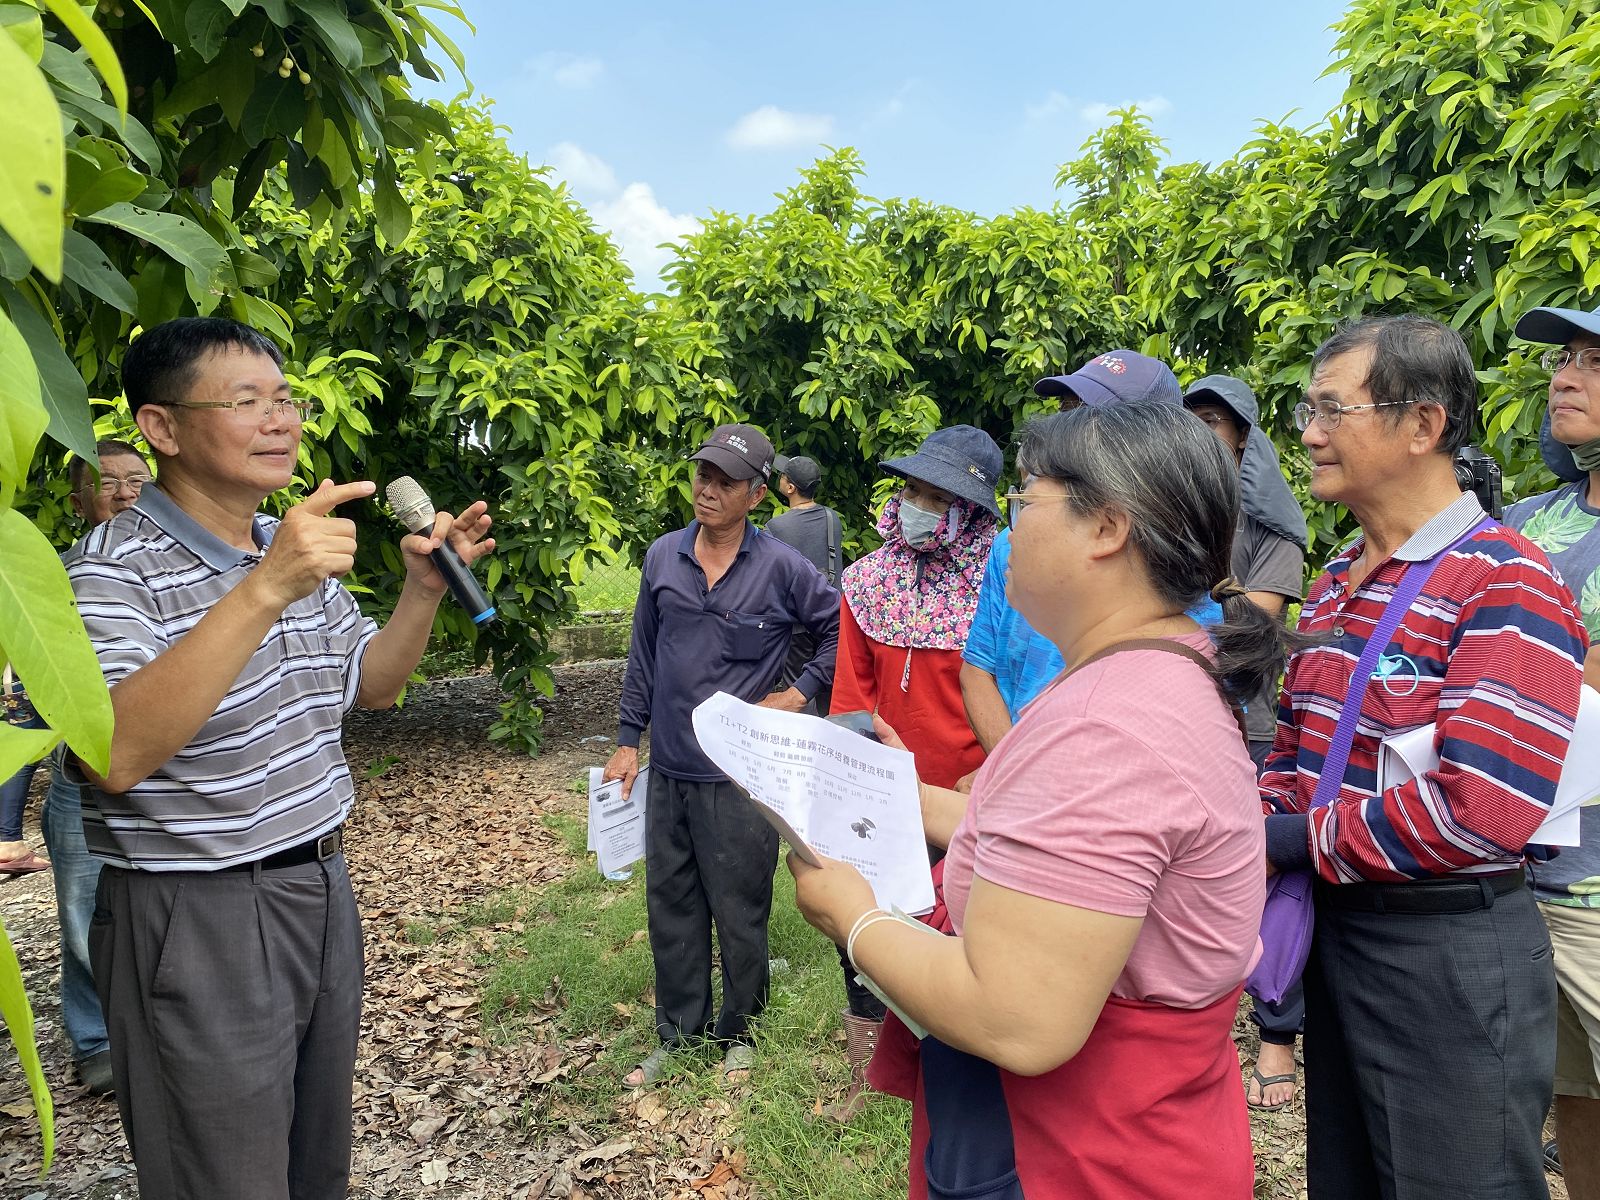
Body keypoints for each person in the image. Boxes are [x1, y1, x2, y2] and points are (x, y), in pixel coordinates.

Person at [790, 401, 1291, 1198]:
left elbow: (1017, 1018)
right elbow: (1041, 843)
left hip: (1070, 1155)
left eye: (1025, 501)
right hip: (1134, 1135)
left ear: (1108, 528)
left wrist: (854, 916)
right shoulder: (1148, 673)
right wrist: (894, 793)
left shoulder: (1106, 726)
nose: (1007, 531)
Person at [66, 317, 493, 1200]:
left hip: (318, 888)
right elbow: (109, 756)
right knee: (222, 1177)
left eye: (286, 399)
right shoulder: (110, 571)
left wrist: (420, 592)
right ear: (162, 428)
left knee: (311, 1168)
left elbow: (368, 686)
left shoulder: (285, 545)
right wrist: (263, 590)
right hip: (195, 910)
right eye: (247, 401)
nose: (281, 421)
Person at [1260, 314, 1586, 1199]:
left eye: (1335, 408)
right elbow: (1294, 750)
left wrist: (1289, 842)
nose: (1312, 433)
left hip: (1447, 950)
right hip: (1345, 933)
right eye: (1308, 409)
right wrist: (1255, 816)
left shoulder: (1506, 578)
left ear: (1422, 425)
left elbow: (1483, 811)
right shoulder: (1334, 579)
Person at [603, 424, 840, 1088]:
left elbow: (835, 628)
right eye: (702, 475)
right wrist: (628, 740)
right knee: (671, 904)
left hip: (741, 776)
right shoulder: (662, 558)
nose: (707, 490)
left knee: (739, 906)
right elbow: (644, 654)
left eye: (724, 481)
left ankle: (741, 1030)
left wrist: (798, 693)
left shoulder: (782, 569)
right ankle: (678, 1035)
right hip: (673, 768)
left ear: (756, 495)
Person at [825, 424, 1003, 1119]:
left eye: (940, 496)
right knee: (868, 917)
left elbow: (1016, 691)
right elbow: (851, 690)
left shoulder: (1005, 589)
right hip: (881, 787)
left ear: (973, 514)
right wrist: (849, 765)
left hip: (967, 796)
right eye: (913, 491)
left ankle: (952, 1062)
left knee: (958, 926)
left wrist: (991, 771)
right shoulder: (869, 582)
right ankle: (870, 1063)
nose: (919, 506)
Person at [960, 350, 1221, 764]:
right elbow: (978, 668)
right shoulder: (1014, 545)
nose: (1067, 428)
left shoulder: (1177, 586)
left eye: (1089, 416)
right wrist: (1010, 770)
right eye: (1066, 410)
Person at [1183, 376, 1309, 1111]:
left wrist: (1217, 583)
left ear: (1242, 437)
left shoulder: (1273, 529)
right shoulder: (1170, 507)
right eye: (1190, 419)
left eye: (1214, 421)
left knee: (1267, 883)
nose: (1201, 432)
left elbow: (1259, 624)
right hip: (1168, 714)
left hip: (1246, 720)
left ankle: (1276, 1036)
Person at [1504, 300, 1600, 1199]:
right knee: (1573, 1092)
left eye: (1595, 361)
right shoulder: (1528, 523)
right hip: (1521, 871)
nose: (1563, 377)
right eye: (1565, 359)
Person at [39, 440, 153, 1096]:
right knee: (83, 912)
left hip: (167, 776)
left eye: (137, 480)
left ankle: (156, 1031)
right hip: (80, 776)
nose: (125, 492)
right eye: (108, 483)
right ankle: (96, 1041)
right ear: (81, 501)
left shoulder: (182, 569)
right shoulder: (49, 579)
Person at [765, 453, 843, 714]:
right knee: (829, 682)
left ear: (790, 488)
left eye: (783, 475)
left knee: (797, 687)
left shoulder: (775, 527)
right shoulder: (833, 519)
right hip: (832, 618)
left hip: (797, 624)